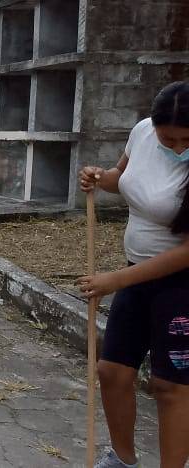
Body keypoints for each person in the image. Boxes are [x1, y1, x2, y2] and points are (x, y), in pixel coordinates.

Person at [77, 81, 189, 468]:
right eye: (169, 139)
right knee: (112, 371)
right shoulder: (142, 133)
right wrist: (98, 177)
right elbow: (121, 179)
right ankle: (123, 460)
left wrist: (116, 281)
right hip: (136, 274)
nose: (178, 148)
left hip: (181, 286)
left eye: (187, 140)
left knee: (170, 386)